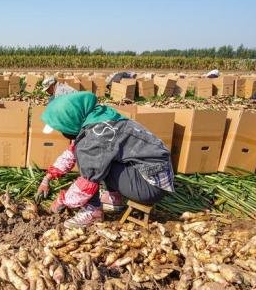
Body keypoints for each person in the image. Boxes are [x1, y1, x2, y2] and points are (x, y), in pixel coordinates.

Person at [35, 92, 174, 229]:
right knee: (99, 156)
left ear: (69, 121)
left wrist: (62, 200)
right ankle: (114, 199)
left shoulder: (94, 138)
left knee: (94, 165)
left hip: (149, 186)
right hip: (157, 174)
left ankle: (93, 211)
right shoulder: (100, 117)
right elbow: (71, 152)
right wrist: (47, 178)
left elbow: (86, 183)